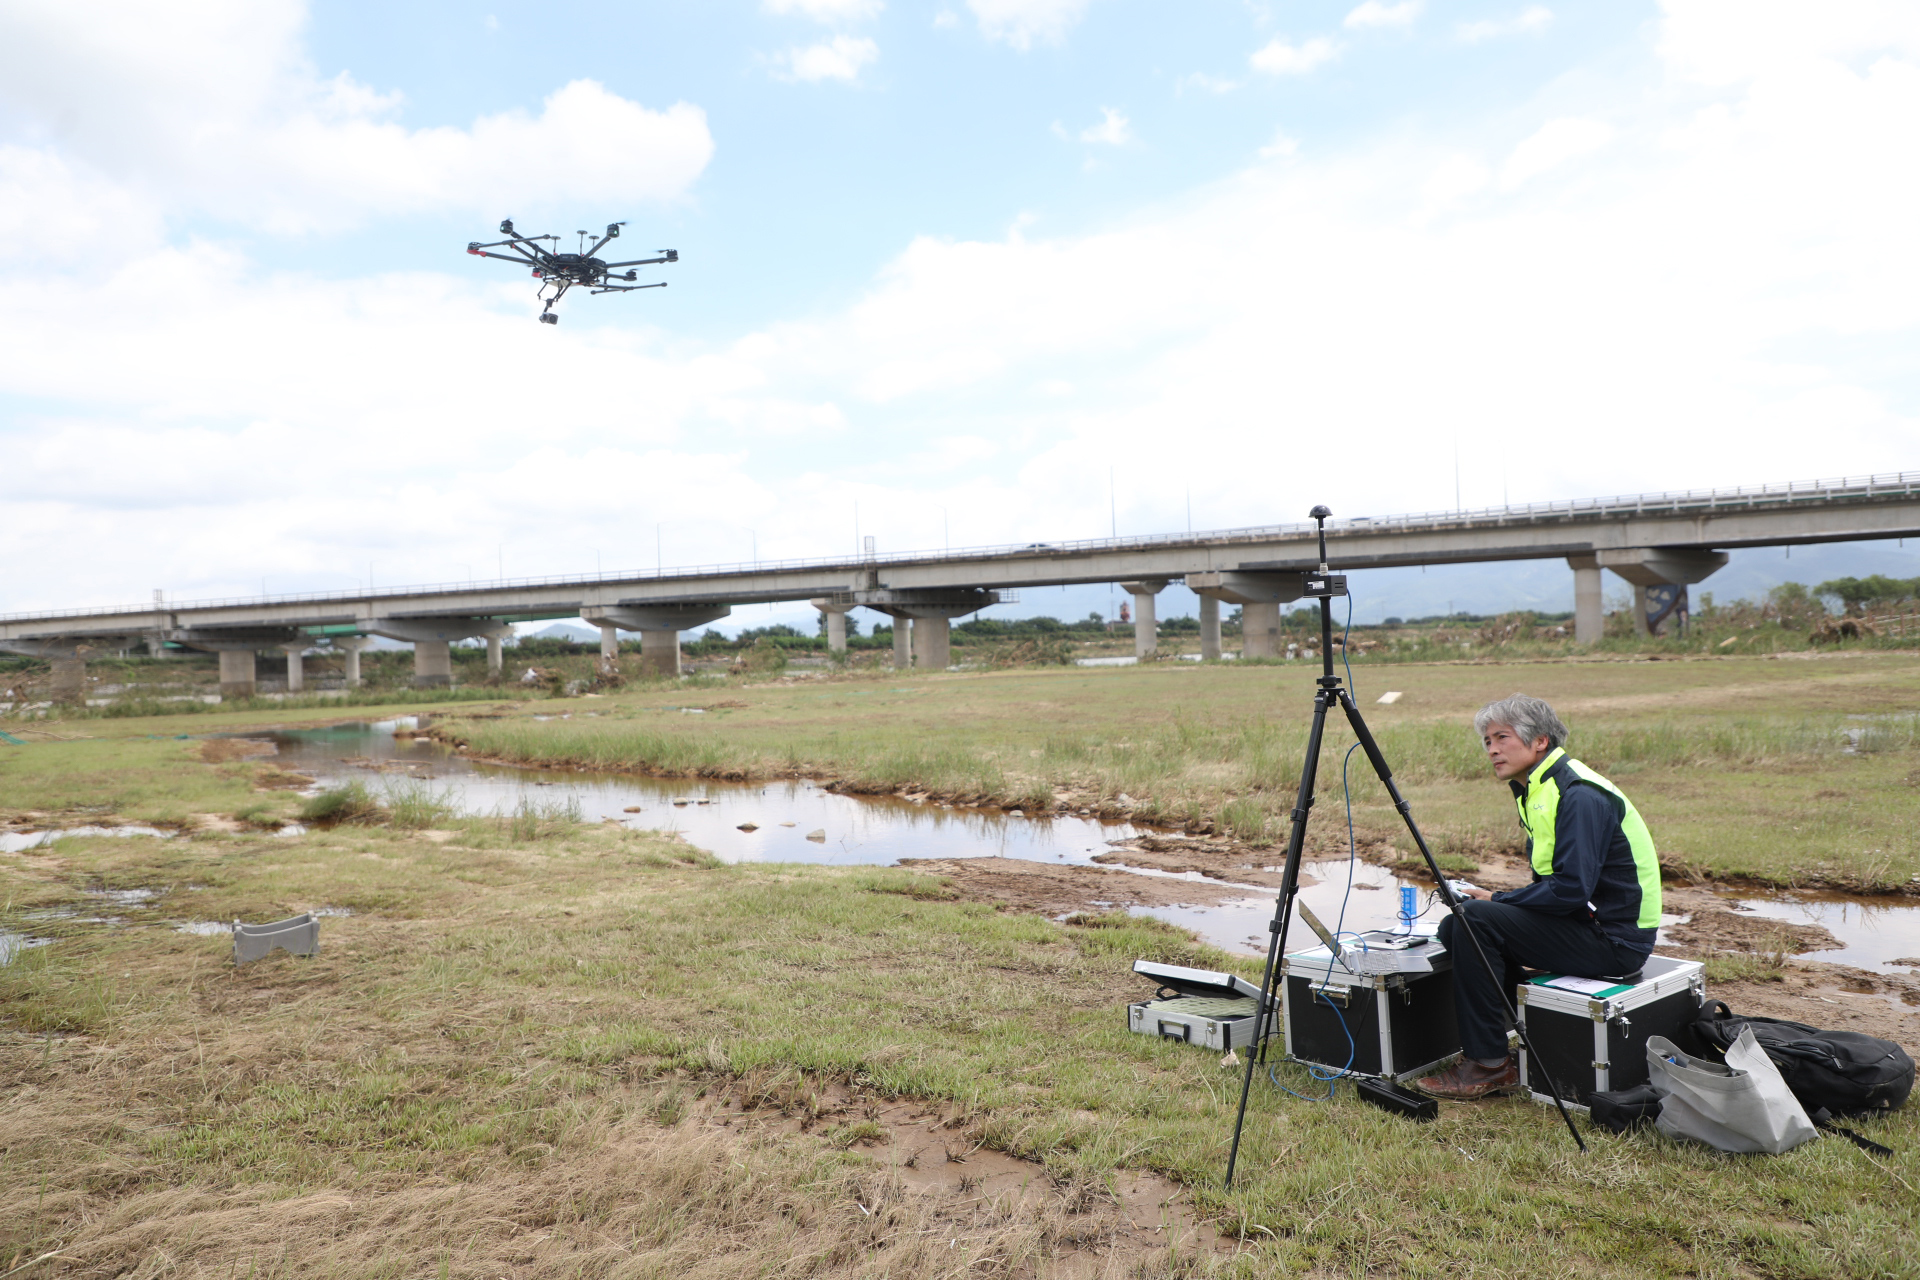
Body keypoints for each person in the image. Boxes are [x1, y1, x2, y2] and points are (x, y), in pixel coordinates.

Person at [1415, 693, 1662, 1100]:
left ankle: (1488, 1065)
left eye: (1501, 737)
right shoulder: (1538, 787)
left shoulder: (1578, 793)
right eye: (1487, 741)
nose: (1492, 749)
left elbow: (1570, 891)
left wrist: (1497, 899)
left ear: (1540, 741)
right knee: (1455, 924)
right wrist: (1497, 901)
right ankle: (1531, 1030)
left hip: (1615, 942)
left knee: (1473, 918)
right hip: (1585, 925)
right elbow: (1560, 886)